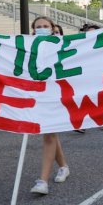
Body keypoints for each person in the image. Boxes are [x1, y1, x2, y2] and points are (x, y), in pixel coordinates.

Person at [30, 16, 69, 195]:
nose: (42, 28)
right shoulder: (28, 47)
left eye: (46, 26)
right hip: (38, 95)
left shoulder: (62, 46)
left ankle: (43, 181)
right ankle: (63, 167)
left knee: (48, 134)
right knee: (51, 133)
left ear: (53, 28)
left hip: (55, 95)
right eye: (38, 27)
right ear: (33, 30)